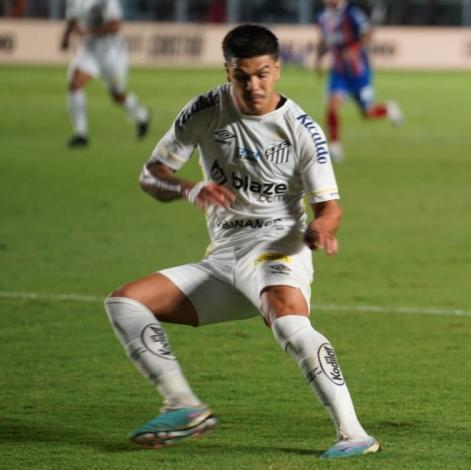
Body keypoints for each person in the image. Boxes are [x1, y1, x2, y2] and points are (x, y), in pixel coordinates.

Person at [103, 24, 380, 458]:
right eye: (242, 76)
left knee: (288, 321)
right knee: (124, 302)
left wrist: (323, 228)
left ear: (278, 69)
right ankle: (184, 405)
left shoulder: (301, 128)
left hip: (278, 246)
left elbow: (331, 206)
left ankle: (354, 434)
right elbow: (150, 174)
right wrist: (189, 189)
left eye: (263, 74)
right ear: (227, 71)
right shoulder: (205, 110)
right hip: (223, 258)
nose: (254, 86)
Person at [315, 0, 402, 162]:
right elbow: (324, 40)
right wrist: (318, 60)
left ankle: (389, 109)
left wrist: (354, 48)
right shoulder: (322, 17)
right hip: (338, 72)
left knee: (367, 113)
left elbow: (368, 32)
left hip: (359, 72)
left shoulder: (351, 13)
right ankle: (334, 145)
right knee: (332, 105)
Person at [60, 0, 150, 148]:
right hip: (89, 51)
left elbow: (115, 25)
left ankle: (142, 115)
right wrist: (66, 37)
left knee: (117, 95)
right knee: (75, 84)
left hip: (112, 53)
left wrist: (88, 32)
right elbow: (72, 18)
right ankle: (80, 134)